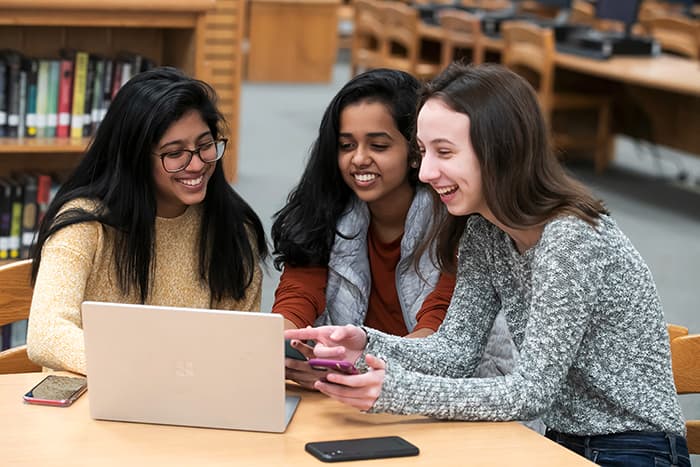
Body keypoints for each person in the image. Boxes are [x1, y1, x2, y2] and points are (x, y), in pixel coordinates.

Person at [285, 63, 690, 466]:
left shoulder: (570, 239)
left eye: (444, 152)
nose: (425, 173)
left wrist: (394, 390)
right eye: (423, 152)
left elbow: (531, 392)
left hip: (636, 449)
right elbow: (454, 353)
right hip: (561, 442)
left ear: (501, 149)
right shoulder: (485, 233)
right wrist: (366, 342)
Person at [272, 68, 516, 389]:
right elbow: (297, 297)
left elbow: (439, 330)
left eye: (378, 146)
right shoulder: (325, 213)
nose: (359, 158)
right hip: (354, 391)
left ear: (415, 151)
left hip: (439, 393)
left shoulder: (457, 219)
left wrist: (359, 369)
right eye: (346, 145)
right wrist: (283, 349)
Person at [27, 67, 267, 375]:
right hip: (91, 402)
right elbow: (45, 334)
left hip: (189, 405)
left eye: (205, 145)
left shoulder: (232, 230)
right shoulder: (85, 224)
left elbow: (238, 347)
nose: (196, 164)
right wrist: (152, 372)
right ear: (135, 157)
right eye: (174, 153)